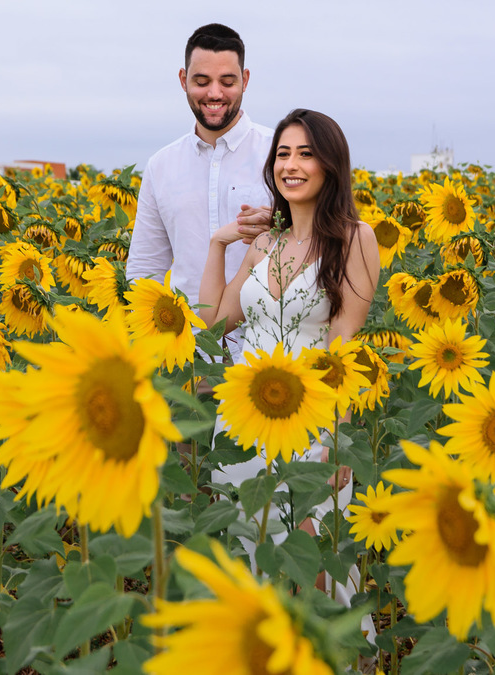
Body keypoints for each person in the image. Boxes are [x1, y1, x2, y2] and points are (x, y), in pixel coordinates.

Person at [199, 109, 379, 636]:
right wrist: (219, 243)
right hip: (240, 425)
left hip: (310, 429)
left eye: (306, 153)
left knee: (309, 570)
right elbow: (214, 322)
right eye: (283, 153)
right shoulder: (264, 244)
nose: (292, 164)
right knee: (245, 561)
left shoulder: (354, 238)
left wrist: (335, 446)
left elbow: (343, 347)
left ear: (331, 165)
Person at [126, 23, 274, 320]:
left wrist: (282, 229)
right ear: (183, 79)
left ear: (245, 80)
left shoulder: (279, 155)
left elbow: (320, 246)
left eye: (227, 82)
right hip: (187, 352)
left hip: (267, 345)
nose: (214, 93)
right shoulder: (161, 166)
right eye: (202, 81)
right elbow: (145, 269)